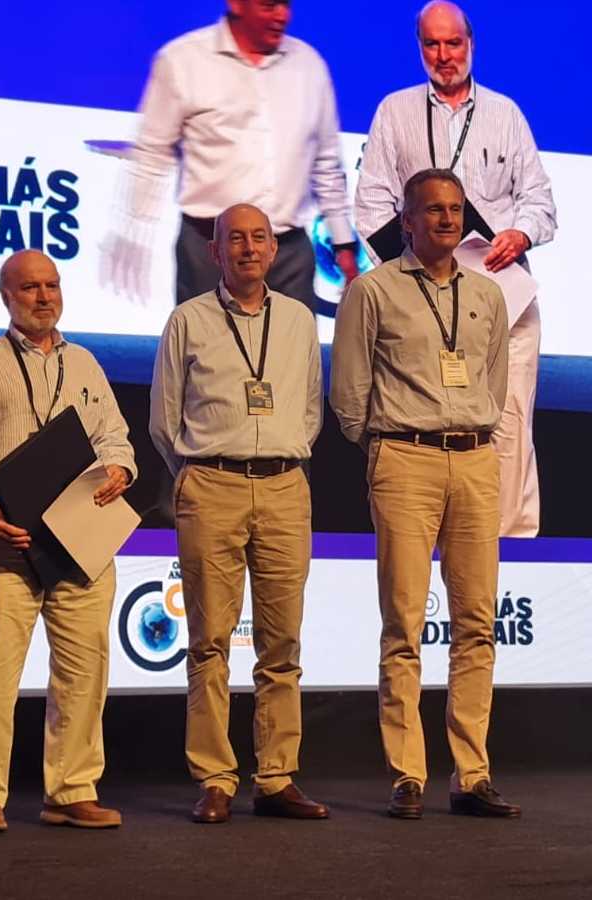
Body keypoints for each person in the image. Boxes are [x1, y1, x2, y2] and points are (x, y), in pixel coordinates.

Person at [331, 168, 520, 819]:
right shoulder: (373, 289)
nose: (447, 219)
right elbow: (349, 392)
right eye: (433, 209)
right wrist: (384, 446)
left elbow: (495, 381)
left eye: (455, 209)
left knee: (476, 623)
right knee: (404, 622)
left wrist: (474, 430)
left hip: (474, 460)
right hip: (404, 459)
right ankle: (407, 775)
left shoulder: (487, 293)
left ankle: (472, 774)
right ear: (406, 220)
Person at [0, 249, 136, 833]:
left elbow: (115, 437)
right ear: (5, 296)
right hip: (5, 543)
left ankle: (71, 791)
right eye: (29, 288)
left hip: (80, 541)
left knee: (84, 670)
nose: (44, 297)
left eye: (52, 285)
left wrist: (121, 468)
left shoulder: (87, 364)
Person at [150, 203, 328, 824]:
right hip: (211, 486)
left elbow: (310, 410)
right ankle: (215, 778)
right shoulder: (188, 319)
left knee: (282, 642)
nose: (249, 248)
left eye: (259, 238)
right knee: (209, 642)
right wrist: (199, 476)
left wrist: (279, 456)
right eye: (235, 239)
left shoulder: (299, 319)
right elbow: (164, 421)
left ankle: (276, 777)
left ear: (275, 250)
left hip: (284, 487)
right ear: (215, 251)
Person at [354, 0, 556, 537]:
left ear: (471, 44)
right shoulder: (395, 111)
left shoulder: (505, 113)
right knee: (428, 427)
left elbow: (540, 201)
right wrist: (408, 273)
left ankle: (512, 548)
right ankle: (434, 546)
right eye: (432, 44)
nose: (444, 55)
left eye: (453, 43)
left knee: (510, 424)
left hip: (503, 300)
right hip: (423, 306)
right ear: (419, 47)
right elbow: (371, 206)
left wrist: (521, 233)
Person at [106, 0, 359, 310]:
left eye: (285, 4)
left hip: (288, 254)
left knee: (294, 341)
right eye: (269, 5)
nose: (282, 15)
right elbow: (152, 153)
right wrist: (133, 231)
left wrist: (343, 244)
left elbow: (326, 163)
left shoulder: (309, 66)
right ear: (237, 4)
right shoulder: (183, 61)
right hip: (210, 254)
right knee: (205, 341)